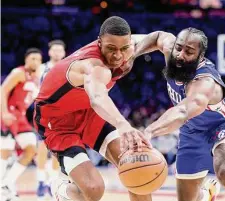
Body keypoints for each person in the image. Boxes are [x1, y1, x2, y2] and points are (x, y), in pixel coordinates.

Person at [33, 16, 152, 201]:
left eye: (124, 48)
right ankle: (59, 188)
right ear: (99, 43)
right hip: (58, 122)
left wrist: (172, 48)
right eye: (111, 49)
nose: (119, 55)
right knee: (94, 189)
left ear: (130, 43)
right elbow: (97, 98)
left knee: (138, 172)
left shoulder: (127, 46)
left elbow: (160, 37)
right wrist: (122, 124)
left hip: (89, 113)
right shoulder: (91, 65)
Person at [135, 28, 225, 201]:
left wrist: (149, 131)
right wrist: (132, 56)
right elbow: (158, 36)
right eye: (179, 48)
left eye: (189, 52)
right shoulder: (171, 50)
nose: (181, 55)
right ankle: (207, 195)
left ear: (200, 55)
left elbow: (183, 111)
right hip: (192, 128)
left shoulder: (204, 81)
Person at [1, 48, 42, 200]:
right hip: (9, 113)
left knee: (31, 149)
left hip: (21, 117)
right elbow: (2, 90)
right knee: (4, 153)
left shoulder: (37, 79)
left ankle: (5, 184)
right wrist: (4, 113)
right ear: (26, 60)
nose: (35, 62)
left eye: (38, 59)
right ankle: (1, 189)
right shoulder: (18, 73)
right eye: (32, 59)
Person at [36, 39, 66, 198]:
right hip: (43, 110)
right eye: (54, 50)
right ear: (49, 52)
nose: (57, 53)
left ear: (64, 53)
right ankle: (41, 181)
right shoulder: (41, 68)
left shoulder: (68, 68)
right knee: (41, 146)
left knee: (57, 148)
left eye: (59, 50)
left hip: (62, 112)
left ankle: (51, 181)